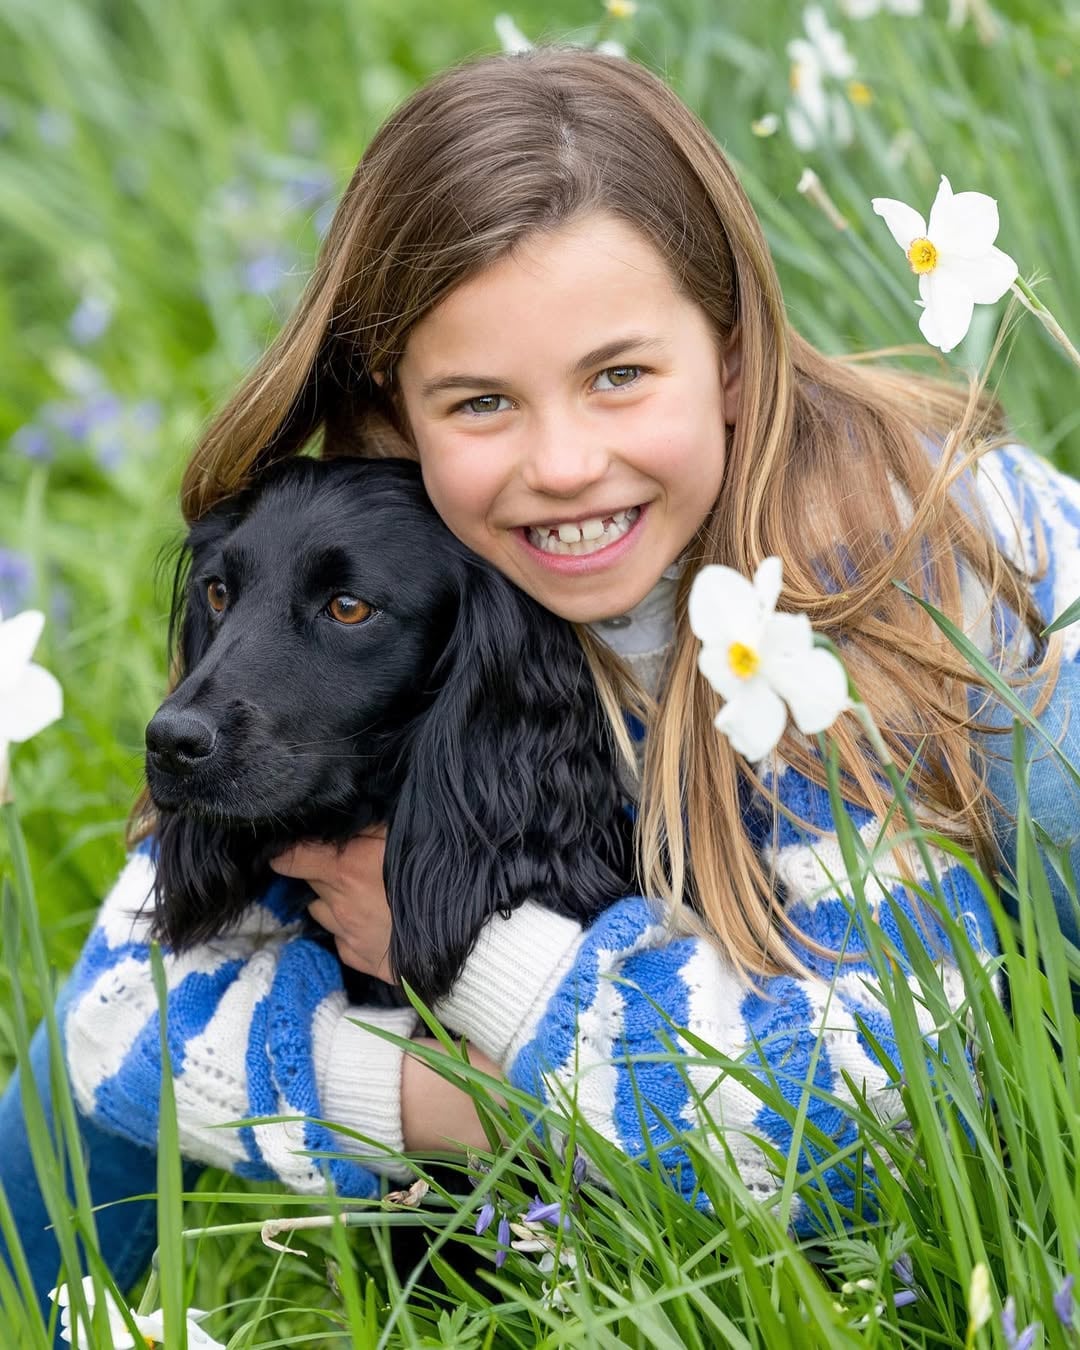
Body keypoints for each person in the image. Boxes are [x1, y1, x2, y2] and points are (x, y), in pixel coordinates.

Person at [3, 45, 1079, 1328]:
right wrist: (440, 1094)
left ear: (732, 359)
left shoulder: (872, 576)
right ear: (394, 416)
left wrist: (472, 1000)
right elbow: (115, 1030)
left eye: (619, 374)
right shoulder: (422, 558)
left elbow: (846, 1123)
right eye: (482, 401)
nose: (565, 465)